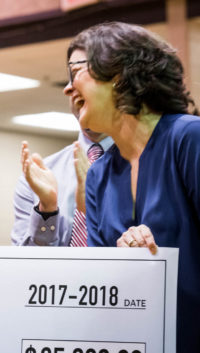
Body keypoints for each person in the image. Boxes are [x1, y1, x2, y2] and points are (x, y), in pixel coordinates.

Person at [67, 22, 199, 352]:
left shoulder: (189, 138)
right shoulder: (99, 175)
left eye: (78, 71)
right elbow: (103, 282)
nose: (69, 88)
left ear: (120, 75)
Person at [11, 87, 113, 246]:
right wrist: (46, 210)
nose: (70, 88)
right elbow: (25, 264)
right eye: (72, 76)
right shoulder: (35, 176)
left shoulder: (144, 166)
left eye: (86, 73)